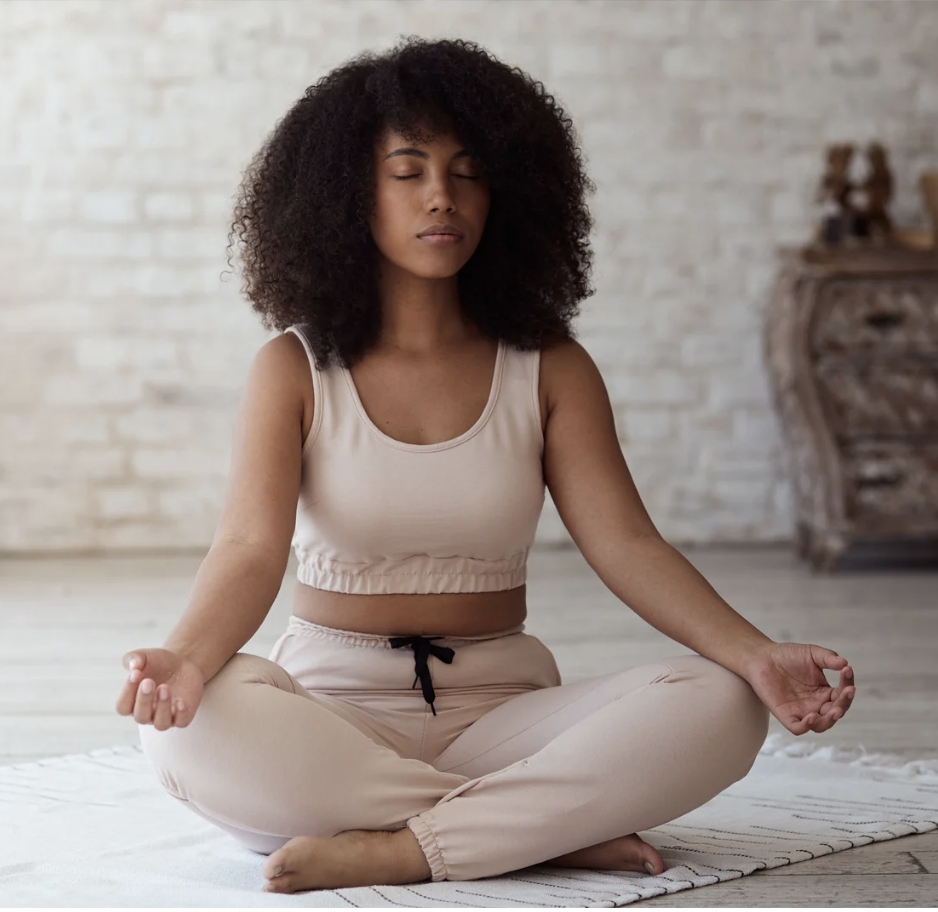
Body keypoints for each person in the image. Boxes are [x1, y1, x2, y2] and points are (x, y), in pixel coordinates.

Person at [114, 37, 856, 895]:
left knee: (724, 704)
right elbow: (248, 548)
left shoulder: (551, 366)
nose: (443, 197)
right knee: (182, 727)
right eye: (408, 170)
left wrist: (755, 654)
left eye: (468, 172)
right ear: (347, 194)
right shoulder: (293, 367)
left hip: (505, 712)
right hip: (331, 718)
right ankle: (529, 828)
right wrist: (185, 658)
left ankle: (405, 846)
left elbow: (628, 545)